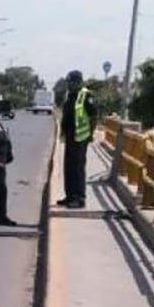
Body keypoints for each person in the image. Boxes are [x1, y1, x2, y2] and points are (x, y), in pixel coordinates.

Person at [58, 70, 98, 209]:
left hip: (81, 137)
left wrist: (91, 134)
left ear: (78, 82)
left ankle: (79, 198)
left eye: (71, 82)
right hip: (70, 137)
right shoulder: (71, 95)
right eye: (68, 82)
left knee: (77, 168)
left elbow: (94, 116)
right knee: (68, 167)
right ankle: (69, 196)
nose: (69, 85)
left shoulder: (86, 95)